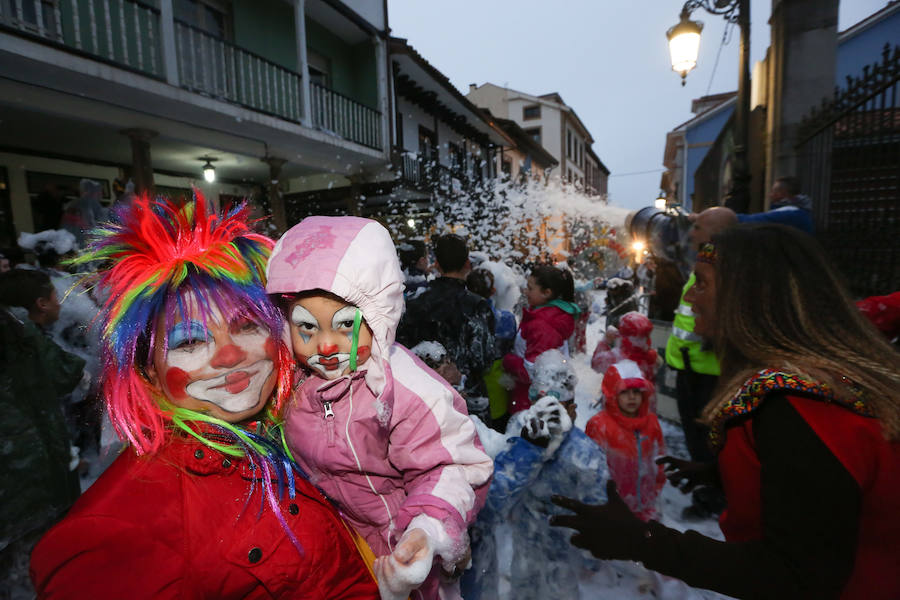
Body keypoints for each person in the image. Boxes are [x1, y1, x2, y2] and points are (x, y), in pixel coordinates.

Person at [30, 194, 379, 598]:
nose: (230, 356)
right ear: (150, 373)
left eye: (247, 325)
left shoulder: (300, 430)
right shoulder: (122, 530)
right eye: (190, 340)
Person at [551, 224, 900, 599]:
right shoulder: (804, 382)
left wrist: (640, 540)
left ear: (747, 295)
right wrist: (725, 473)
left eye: (701, 284)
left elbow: (794, 576)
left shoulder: (799, 405)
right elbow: (821, 484)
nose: (690, 299)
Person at [265, 216, 493, 600]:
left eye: (345, 326)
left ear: (377, 317)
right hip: (336, 554)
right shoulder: (292, 382)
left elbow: (449, 466)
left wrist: (429, 528)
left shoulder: (404, 390)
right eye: (306, 328)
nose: (325, 346)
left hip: (401, 556)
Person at [462, 352, 607, 600]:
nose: (547, 419)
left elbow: (597, 506)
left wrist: (591, 555)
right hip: (525, 543)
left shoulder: (584, 454)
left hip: (563, 549)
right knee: (524, 589)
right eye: (540, 409)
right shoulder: (520, 434)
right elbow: (501, 484)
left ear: (572, 410)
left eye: (557, 410)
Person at [0, 270, 85, 597]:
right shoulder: (20, 333)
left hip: (21, 467)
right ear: (40, 304)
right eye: (54, 296)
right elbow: (69, 375)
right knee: (39, 557)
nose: (59, 302)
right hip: (28, 469)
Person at [664, 205, 736, 519]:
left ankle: (713, 500)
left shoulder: (725, 269)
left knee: (710, 443)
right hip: (690, 368)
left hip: (709, 375)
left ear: (717, 236)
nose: (691, 233)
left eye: (698, 228)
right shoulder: (705, 263)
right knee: (697, 440)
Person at [397, 233, 496, 400]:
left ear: (437, 264)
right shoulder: (476, 306)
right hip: (468, 398)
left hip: (425, 394)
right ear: (467, 264)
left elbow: (403, 349)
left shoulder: (415, 301)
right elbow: (483, 359)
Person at [585, 359, 666, 521]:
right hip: (612, 506)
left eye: (636, 392)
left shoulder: (650, 422)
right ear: (612, 394)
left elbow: (659, 458)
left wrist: (656, 487)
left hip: (646, 504)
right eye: (624, 392)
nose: (632, 398)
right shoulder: (600, 425)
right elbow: (591, 467)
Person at [503, 264, 579, 415]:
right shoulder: (544, 315)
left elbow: (533, 371)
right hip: (539, 397)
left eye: (531, 288)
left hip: (533, 402)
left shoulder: (543, 325)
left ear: (547, 293)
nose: (526, 291)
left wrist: (508, 360)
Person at [736, 175, 813, 234]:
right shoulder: (799, 211)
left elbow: (750, 221)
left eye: (773, 191)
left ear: (781, 193)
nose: (770, 195)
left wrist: (729, 216)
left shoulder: (790, 213)